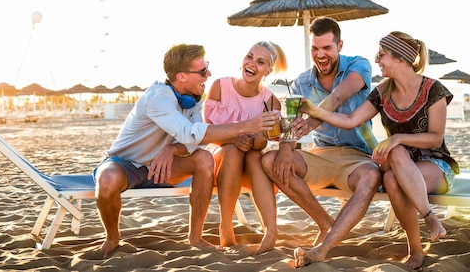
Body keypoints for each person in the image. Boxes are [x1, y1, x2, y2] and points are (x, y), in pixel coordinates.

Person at [93, 43, 280, 258]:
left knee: (203, 159)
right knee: (106, 180)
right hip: (127, 163)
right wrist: (247, 125)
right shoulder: (158, 97)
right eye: (202, 71)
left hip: (163, 168)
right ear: (181, 77)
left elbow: (196, 142)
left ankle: (196, 236)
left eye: (206, 67)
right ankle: (112, 238)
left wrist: (172, 149)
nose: (208, 74)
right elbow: (189, 131)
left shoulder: (193, 98)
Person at [300, 31, 459, 270]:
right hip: (396, 162)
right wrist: (317, 111)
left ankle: (420, 238)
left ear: (400, 59)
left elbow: (436, 138)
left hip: (433, 164)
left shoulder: (433, 90)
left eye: (381, 55)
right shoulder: (382, 91)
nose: (377, 60)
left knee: (393, 176)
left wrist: (397, 138)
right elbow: (352, 119)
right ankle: (422, 236)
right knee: (394, 162)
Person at [260, 16, 382, 267]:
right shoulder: (301, 82)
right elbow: (290, 119)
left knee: (371, 176)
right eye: (315, 48)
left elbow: (337, 98)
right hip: (321, 154)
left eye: (327, 48)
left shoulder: (359, 66)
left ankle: (326, 243)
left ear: (340, 45)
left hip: (357, 157)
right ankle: (325, 223)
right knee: (271, 160)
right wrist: (285, 147)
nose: (320, 54)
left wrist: (313, 119)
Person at [203, 41, 287, 254]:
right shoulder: (220, 87)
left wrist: (255, 139)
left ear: (268, 70)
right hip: (221, 158)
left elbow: (263, 142)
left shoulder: (271, 101)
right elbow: (207, 133)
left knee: (254, 155)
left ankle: (270, 231)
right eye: (249, 57)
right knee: (233, 150)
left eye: (260, 62)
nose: (251, 64)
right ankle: (226, 226)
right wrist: (232, 140)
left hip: (250, 164)